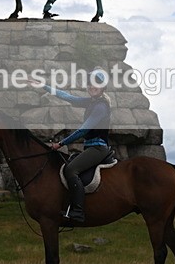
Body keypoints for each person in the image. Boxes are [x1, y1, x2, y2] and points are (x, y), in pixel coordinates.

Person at [26, 68, 111, 223]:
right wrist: (43, 85)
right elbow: (66, 96)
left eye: (97, 83)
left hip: (98, 148)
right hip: (91, 147)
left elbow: (84, 130)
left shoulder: (100, 107)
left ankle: (78, 212)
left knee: (70, 170)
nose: (92, 86)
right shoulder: (91, 102)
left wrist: (61, 143)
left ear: (103, 87)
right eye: (90, 82)